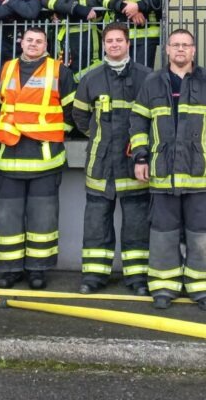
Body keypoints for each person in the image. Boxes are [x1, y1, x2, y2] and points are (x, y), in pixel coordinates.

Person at [130, 28, 206, 311]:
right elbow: (138, 123)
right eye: (175, 45)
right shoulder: (152, 82)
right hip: (162, 174)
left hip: (201, 174)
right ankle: (164, 287)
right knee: (163, 233)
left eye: (185, 45)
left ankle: (202, 290)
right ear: (166, 50)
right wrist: (140, 158)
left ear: (194, 50)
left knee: (202, 233)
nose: (180, 50)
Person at [0, 27, 76, 290]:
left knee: (43, 220)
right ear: (21, 42)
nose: (33, 44)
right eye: (29, 40)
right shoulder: (5, 69)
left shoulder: (59, 70)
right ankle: (9, 269)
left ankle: (38, 271)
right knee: (8, 219)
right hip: (8, 157)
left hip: (44, 159)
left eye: (39, 41)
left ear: (46, 45)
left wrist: (61, 134)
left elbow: (73, 109)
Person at [72, 24, 152, 296]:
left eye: (119, 40)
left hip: (134, 163)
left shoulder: (147, 77)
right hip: (101, 163)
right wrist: (98, 138)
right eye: (109, 41)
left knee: (137, 223)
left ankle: (138, 278)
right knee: (96, 222)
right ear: (104, 45)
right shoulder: (90, 78)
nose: (114, 44)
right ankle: (94, 276)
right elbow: (81, 118)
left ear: (128, 44)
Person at [45, 0, 101, 77]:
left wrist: (63, 10)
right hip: (66, 55)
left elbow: (87, 2)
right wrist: (79, 10)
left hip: (91, 57)